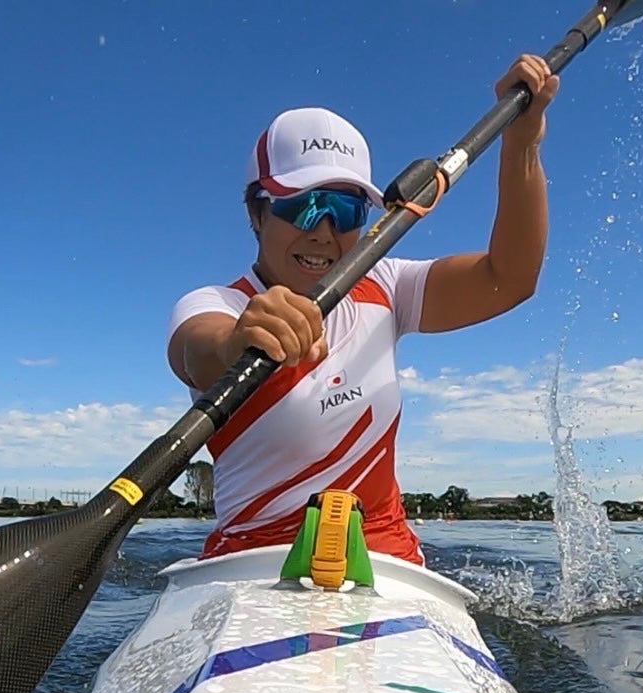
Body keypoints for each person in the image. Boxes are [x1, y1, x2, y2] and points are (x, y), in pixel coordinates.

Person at [166, 55, 558, 566]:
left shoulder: (387, 286)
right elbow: (196, 352)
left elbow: (509, 279)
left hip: (386, 561)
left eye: (345, 209)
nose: (324, 231)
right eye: (303, 205)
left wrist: (522, 142)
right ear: (256, 213)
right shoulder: (218, 305)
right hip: (251, 560)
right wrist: (238, 341)